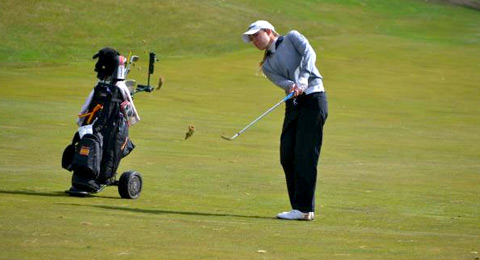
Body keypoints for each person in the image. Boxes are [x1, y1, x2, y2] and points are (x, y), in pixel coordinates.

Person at [242, 20, 328, 221]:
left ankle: (304, 209)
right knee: (287, 156)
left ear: (268, 31)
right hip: (294, 104)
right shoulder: (268, 65)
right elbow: (282, 82)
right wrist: (291, 85)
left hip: (313, 99)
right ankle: (299, 208)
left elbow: (310, 53)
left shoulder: (292, 37)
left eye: (256, 35)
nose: (254, 40)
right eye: (251, 38)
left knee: (305, 155)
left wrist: (304, 78)